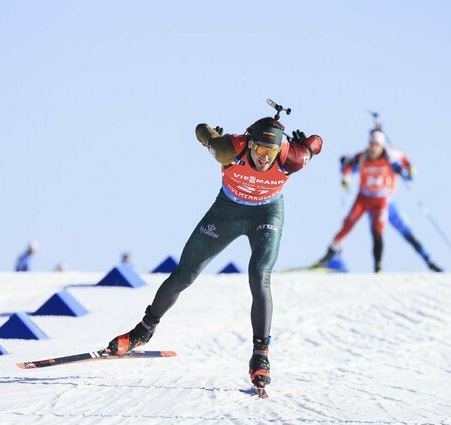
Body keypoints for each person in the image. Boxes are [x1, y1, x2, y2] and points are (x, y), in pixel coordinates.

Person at [103, 113, 323, 391]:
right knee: (184, 275)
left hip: (267, 214)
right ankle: (143, 331)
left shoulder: (293, 158)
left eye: (271, 150)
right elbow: (200, 130)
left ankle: (260, 355)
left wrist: (307, 144)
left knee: (259, 275)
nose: (265, 157)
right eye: (259, 149)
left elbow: (317, 144)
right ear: (249, 143)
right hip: (227, 212)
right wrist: (212, 137)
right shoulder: (229, 149)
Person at [315, 128, 412, 273]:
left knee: (378, 231)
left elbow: (404, 160)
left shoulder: (389, 157)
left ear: (381, 146)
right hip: (363, 198)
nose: (373, 148)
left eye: (376, 145)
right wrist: (345, 178)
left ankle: (378, 266)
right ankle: (327, 258)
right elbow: (347, 166)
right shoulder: (362, 156)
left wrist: (408, 170)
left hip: (381, 200)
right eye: (371, 144)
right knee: (347, 225)